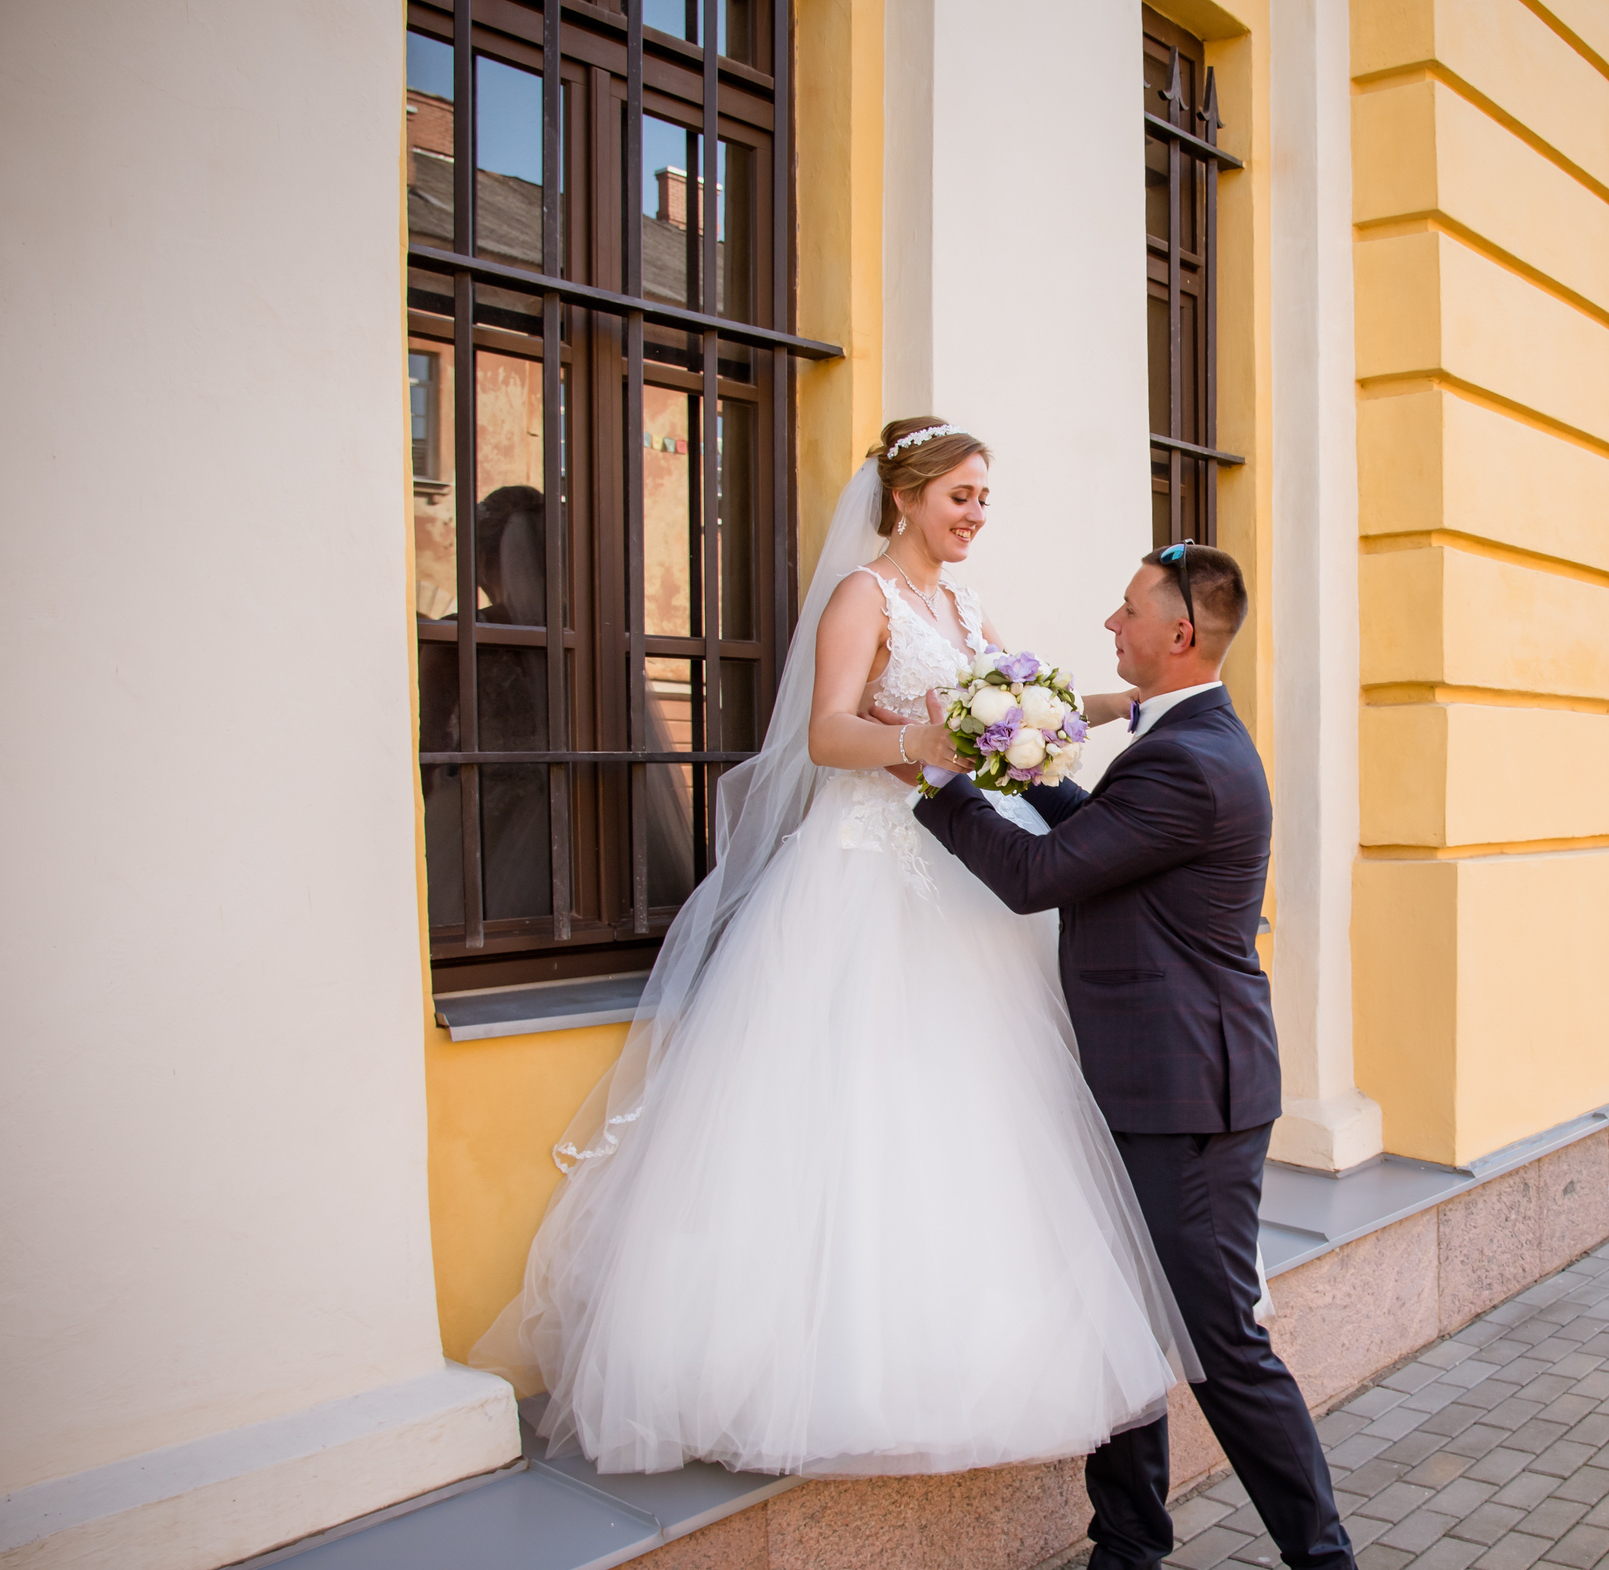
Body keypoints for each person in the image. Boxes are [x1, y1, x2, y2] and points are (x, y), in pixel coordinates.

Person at [472, 420, 1198, 1480]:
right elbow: (824, 733)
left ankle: (959, 1346)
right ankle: (808, 1371)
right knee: (852, 1102)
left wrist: (1122, 703)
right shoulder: (866, 597)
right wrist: (921, 741)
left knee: (972, 1100)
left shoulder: (961, 605)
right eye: (960, 495)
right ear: (905, 497)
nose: (975, 515)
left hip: (957, 878)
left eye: (985, 497)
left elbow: (1022, 706)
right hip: (864, 873)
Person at [907, 542, 1365, 1570]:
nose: (1109, 624)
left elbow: (1040, 874)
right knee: (1115, 1323)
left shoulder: (1193, 762)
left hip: (1187, 1103)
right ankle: (1128, 1557)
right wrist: (1007, 751)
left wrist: (938, 779)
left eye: (1127, 611)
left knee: (1223, 1349)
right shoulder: (1177, 745)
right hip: (1136, 1083)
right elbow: (1104, 844)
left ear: (1177, 638)